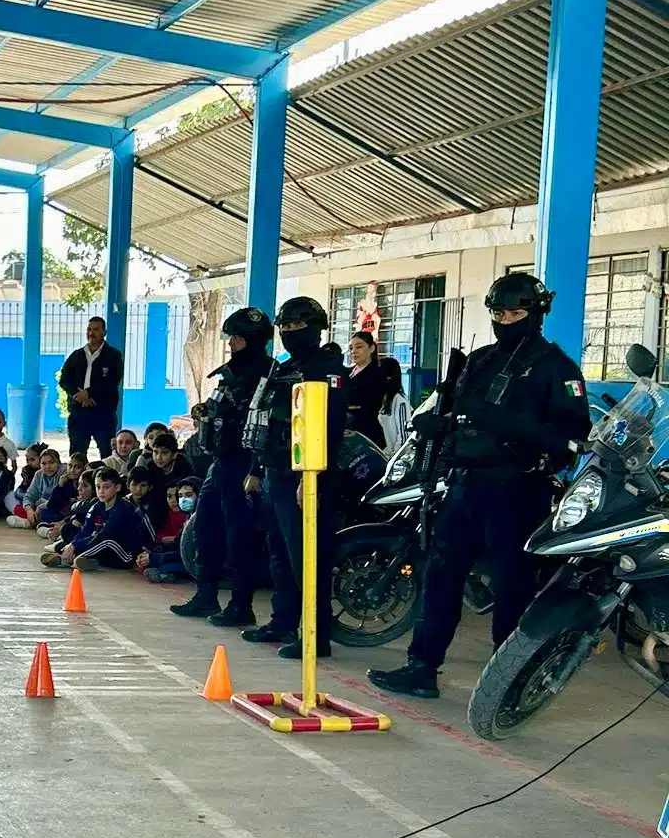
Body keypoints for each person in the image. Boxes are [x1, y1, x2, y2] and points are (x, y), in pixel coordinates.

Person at [369, 272, 592, 699]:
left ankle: (506, 682)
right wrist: (433, 421)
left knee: (512, 587)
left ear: (536, 313)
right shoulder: (480, 360)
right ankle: (421, 667)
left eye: (516, 313)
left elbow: (571, 439)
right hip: (463, 485)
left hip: (517, 490)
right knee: (440, 577)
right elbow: (452, 407)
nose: (506, 321)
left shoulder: (556, 368)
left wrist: (509, 424)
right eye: (498, 313)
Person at [242, 297, 347, 660]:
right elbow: (266, 422)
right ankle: (283, 620)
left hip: (305, 476)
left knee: (308, 558)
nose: (289, 334)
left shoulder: (326, 368)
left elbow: (328, 428)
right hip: (274, 471)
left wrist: (311, 477)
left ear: (316, 328)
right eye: (284, 328)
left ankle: (316, 635)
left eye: (296, 328)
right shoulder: (283, 369)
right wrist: (256, 470)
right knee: (280, 555)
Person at [54, 468, 144, 571]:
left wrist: (75, 546)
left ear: (117, 487)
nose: (101, 491)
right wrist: (72, 544)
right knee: (69, 534)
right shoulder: (96, 507)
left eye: (106, 487)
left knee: (106, 541)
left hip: (125, 556)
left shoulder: (123, 509)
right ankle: (89, 561)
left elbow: (105, 535)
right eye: (98, 487)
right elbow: (86, 531)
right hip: (103, 549)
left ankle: (68, 559)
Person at [58, 316, 124, 458]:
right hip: (78, 412)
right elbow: (64, 379)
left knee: (108, 453)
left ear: (104, 332)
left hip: (103, 413)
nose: (91, 333)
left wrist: (88, 393)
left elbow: (112, 381)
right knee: (77, 454)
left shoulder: (113, 356)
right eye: (89, 329)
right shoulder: (76, 355)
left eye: (95, 329)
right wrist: (78, 395)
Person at [343, 330, 389, 447]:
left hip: (367, 431)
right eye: (351, 348)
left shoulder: (377, 374)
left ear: (371, 348)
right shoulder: (346, 372)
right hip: (345, 429)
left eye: (359, 347)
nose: (354, 352)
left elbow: (373, 404)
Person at [12, 446, 65, 529]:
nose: (47, 466)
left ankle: (30, 523)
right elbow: (29, 495)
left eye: (51, 462)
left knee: (47, 514)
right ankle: (35, 521)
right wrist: (29, 510)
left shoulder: (63, 474)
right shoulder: (39, 474)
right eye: (44, 463)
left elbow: (58, 501)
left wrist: (41, 506)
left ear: (58, 463)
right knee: (18, 509)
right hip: (39, 507)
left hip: (55, 508)